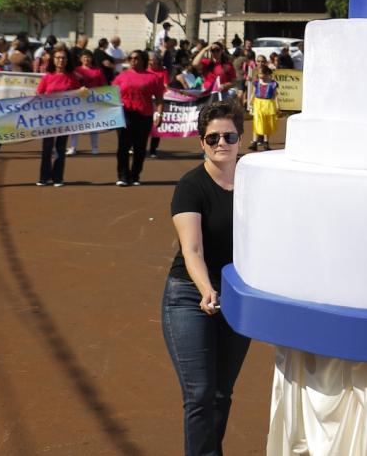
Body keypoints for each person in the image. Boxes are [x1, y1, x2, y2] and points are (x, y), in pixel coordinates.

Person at [163, 101, 252, 456]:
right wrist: (206, 290)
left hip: (235, 295)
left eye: (229, 135)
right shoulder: (191, 185)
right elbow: (192, 250)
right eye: (212, 137)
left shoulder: (253, 182)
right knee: (199, 393)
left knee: (220, 392)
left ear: (240, 139)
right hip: (189, 294)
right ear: (201, 142)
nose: (221, 143)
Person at [35, 47, 87, 187]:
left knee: (60, 148)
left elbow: (78, 95)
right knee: (47, 148)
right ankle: (44, 177)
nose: (60, 60)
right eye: (58, 57)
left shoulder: (72, 77)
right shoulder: (48, 77)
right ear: (53, 59)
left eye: (63, 57)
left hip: (65, 118)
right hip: (48, 118)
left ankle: (58, 177)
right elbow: (38, 94)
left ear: (67, 60)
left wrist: (82, 91)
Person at [115, 49, 165, 186]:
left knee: (140, 147)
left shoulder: (153, 78)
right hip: (124, 115)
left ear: (143, 60)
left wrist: (159, 114)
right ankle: (123, 176)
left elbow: (160, 98)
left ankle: (135, 175)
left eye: (136, 58)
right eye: (130, 58)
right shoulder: (121, 76)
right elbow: (112, 95)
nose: (132, 60)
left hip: (144, 115)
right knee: (123, 146)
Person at [67, 50, 108, 156]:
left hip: (93, 101)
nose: (86, 59)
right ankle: (73, 147)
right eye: (84, 57)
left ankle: (94, 148)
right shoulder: (75, 70)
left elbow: (103, 85)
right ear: (80, 59)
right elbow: (71, 84)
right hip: (78, 101)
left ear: (92, 58)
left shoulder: (98, 70)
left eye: (88, 57)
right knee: (75, 125)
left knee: (93, 125)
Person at [248, 63, 278, 152]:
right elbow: (253, 92)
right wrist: (250, 101)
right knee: (257, 122)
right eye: (259, 74)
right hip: (258, 103)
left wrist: (277, 105)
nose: (260, 75)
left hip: (268, 104)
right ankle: (254, 142)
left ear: (266, 74)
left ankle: (266, 142)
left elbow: (275, 95)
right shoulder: (257, 82)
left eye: (261, 73)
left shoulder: (273, 84)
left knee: (267, 123)